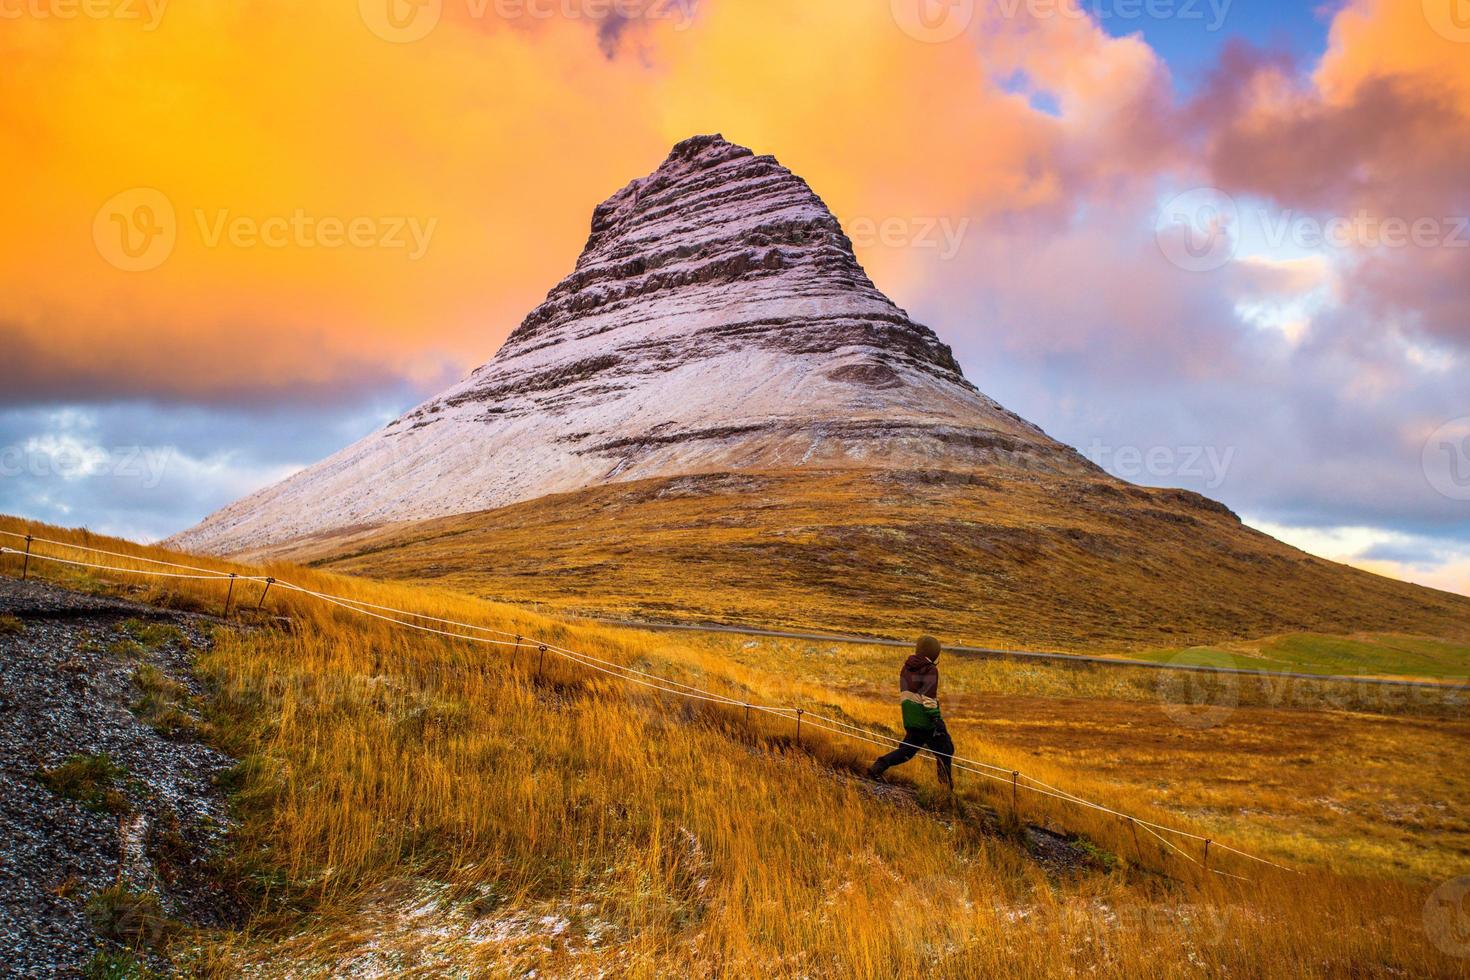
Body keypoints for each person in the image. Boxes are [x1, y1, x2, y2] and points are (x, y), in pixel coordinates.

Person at [867, 635, 954, 787]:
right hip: (925, 720)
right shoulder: (930, 669)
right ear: (934, 652)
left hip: (910, 718)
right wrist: (936, 720)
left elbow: (907, 694)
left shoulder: (906, 667)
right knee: (946, 749)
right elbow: (928, 698)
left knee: (907, 751)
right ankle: (945, 789)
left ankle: (879, 766)